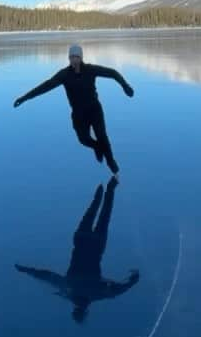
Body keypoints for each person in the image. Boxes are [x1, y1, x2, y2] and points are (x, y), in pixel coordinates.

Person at [15, 178, 140, 322]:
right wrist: (26, 270)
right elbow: (45, 275)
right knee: (95, 212)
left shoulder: (85, 291)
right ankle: (103, 192)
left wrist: (133, 279)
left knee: (103, 215)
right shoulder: (70, 288)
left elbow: (118, 290)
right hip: (83, 241)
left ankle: (108, 189)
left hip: (92, 243)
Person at [13, 44, 134, 175]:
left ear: (81, 58)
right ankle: (97, 147)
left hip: (94, 110)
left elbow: (112, 73)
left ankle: (111, 163)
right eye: (71, 57)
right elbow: (46, 86)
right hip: (78, 114)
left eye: (76, 57)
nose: (73, 60)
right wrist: (24, 98)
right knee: (83, 139)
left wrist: (125, 85)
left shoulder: (90, 70)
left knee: (102, 136)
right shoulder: (64, 74)